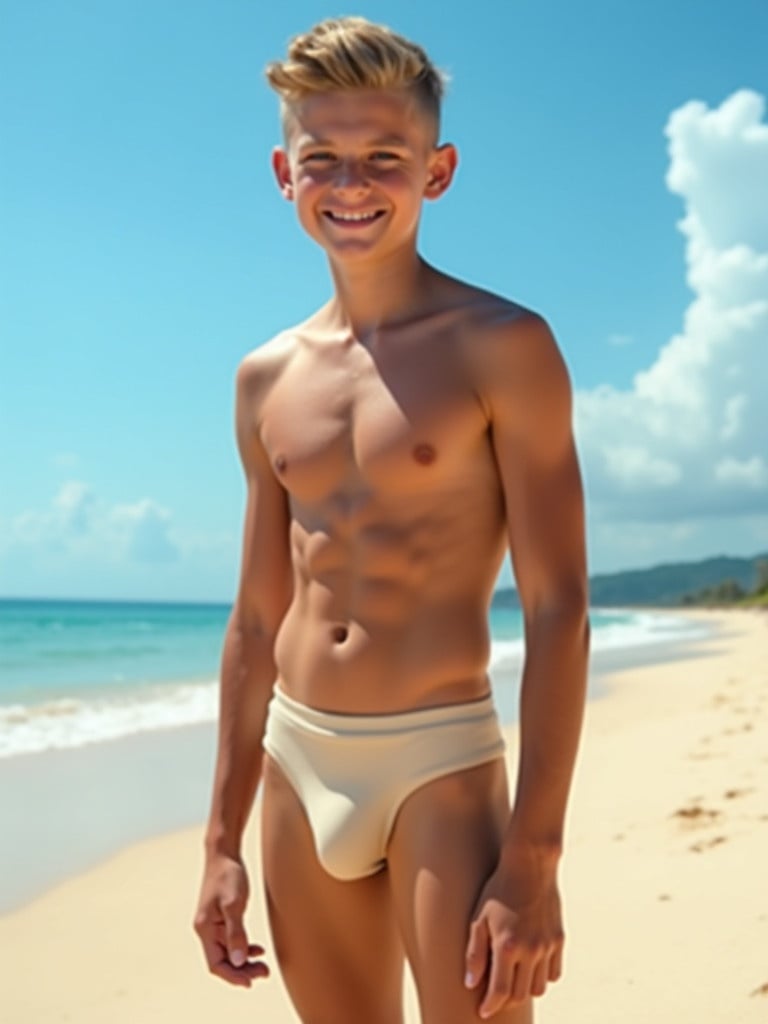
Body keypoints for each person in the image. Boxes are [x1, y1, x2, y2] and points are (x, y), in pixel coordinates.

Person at [194, 16, 589, 1024]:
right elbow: (253, 620)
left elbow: (559, 607)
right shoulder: (264, 379)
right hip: (297, 755)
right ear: (284, 173)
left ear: (438, 170)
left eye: (384, 158)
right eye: (321, 158)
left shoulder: (503, 345)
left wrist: (535, 857)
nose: (351, 183)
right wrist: (217, 845)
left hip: (440, 759)